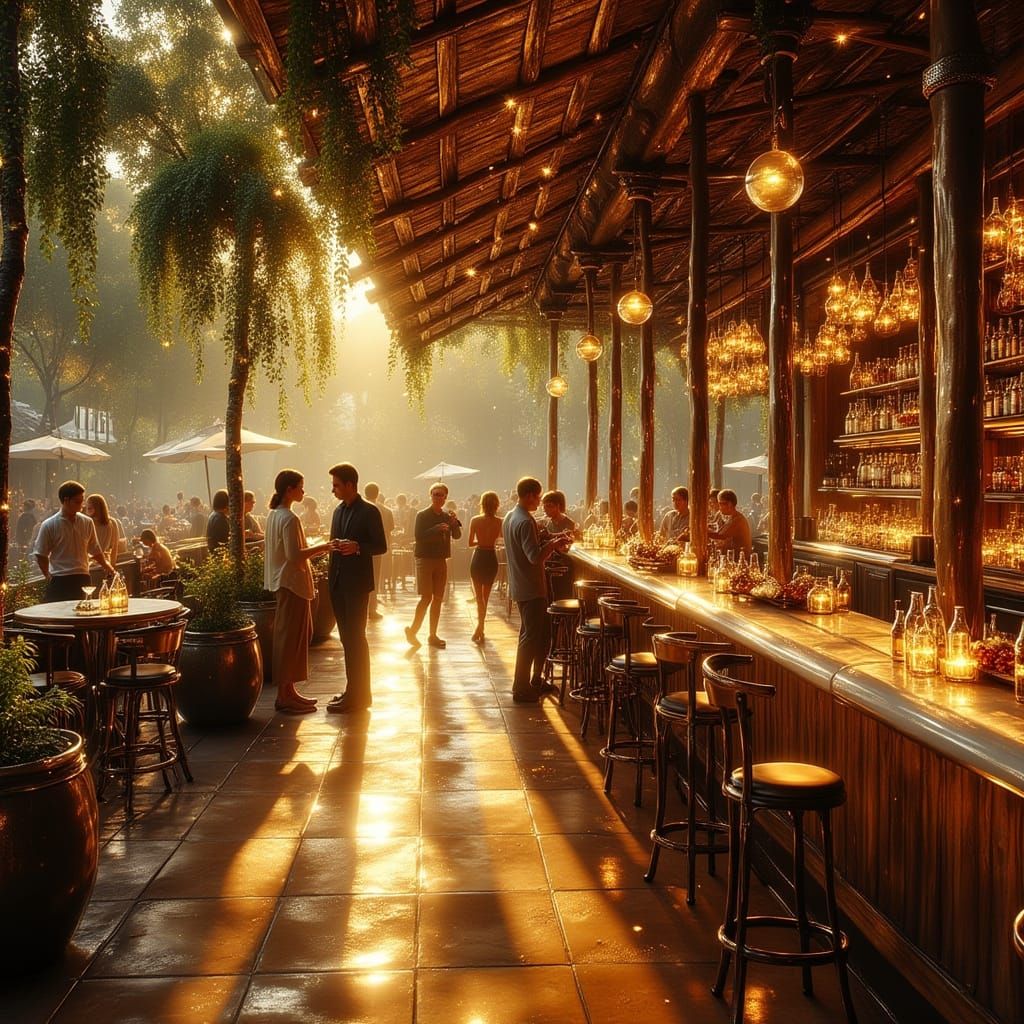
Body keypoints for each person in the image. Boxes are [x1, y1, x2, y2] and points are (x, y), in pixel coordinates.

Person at [264, 470, 333, 714]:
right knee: (292, 639)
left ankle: (289, 690)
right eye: (301, 487)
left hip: (282, 583)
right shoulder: (290, 519)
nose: (304, 492)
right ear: (289, 490)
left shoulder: (273, 516)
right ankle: (285, 694)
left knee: (290, 637)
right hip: (292, 583)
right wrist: (324, 547)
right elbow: (294, 556)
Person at [503, 476, 572, 704]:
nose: (539, 502)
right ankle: (520, 686)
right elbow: (534, 557)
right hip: (531, 587)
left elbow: (527, 548)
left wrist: (550, 538)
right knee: (531, 637)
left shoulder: (510, 517)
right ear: (530, 495)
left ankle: (534, 679)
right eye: (538, 497)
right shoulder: (525, 521)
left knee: (539, 634)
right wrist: (552, 545)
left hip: (521, 584)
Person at [326, 462, 388, 713]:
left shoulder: (370, 511)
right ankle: (354, 690)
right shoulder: (338, 511)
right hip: (338, 582)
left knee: (356, 638)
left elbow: (381, 545)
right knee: (346, 639)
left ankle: (361, 694)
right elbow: (333, 543)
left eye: (336, 485)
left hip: (357, 584)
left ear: (351, 485)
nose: (334, 490)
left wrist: (358, 547)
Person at [33, 480, 115, 601]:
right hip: (60, 578)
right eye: (77, 501)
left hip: (82, 576)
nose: (82, 505)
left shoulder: (87, 522)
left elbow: (95, 549)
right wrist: (48, 576)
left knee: (83, 613)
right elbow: (41, 554)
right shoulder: (49, 525)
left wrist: (108, 567)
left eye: (82, 500)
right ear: (66, 500)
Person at [405, 482, 462, 649]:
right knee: (426, 597)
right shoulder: (422, 515)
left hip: (441, 559)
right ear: (430, 496)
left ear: (445, 498)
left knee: (438, 598)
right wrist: (436, 529)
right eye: (435, 494)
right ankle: (413, 630)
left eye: (441, 495)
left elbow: (457, 535)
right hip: (424, 559)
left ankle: (432, 634)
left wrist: (453, 523)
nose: (438, 497)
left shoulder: (447, 515)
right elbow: (418, 536)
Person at [467, 490, 503, 644]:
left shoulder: (475, 520)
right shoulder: (500, 522)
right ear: (497, 505)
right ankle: (480, 626)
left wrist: (480, 542)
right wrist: (490, 541)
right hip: (490, 557)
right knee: (485, 597)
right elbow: (501, 540)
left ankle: (480, 627)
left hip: (479, 556)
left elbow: (469, 543)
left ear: (481, 504)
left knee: (478, 598)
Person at [364, 482, 394, 620]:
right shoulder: (386, 510)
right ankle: (372, 609)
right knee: (375, 579)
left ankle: (363, 608)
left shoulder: (361, 509)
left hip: (363, 548)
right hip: (379, 548)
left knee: (362, 578)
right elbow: (390, 528)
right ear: (377, 493)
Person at [541, 490, 577, 600]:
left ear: (558, 506)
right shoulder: (547, 523)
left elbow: (570, 545)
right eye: (544, 507)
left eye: (549, 506)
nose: (546, 510)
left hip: (563, 565)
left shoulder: (569, 523)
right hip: (549, 564)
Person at [710, 488, 753, 557]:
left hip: (739, 560)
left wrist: (703, 531)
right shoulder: (732, 517)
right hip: (732, 557)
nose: (719, 507)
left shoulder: (738, 520)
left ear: (729, 504)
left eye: (720, 503)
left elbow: (721, 535)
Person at [85, 493, 124, 567]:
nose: (87, 511)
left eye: (89, 508)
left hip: (98, 564)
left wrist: (112, 566)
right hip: (98, 564)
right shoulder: (112, 522)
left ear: (97, 508)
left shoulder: (112, 522)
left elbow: (115, 547)